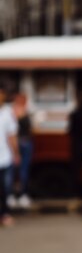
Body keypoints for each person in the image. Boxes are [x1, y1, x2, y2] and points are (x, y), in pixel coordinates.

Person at [0, 87, 19, 227]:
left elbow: (11, 135)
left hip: (4, 157)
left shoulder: (7, 113)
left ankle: (5, 214)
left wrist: (16, 153)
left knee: (5, 188)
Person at [12, 92, 33, 209]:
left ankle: (13, 195)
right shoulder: (20, 112)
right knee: (22, 170)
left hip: (18, 143)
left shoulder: (11, 111)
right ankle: (21, 195)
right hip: (23, 142)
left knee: (15, 170)